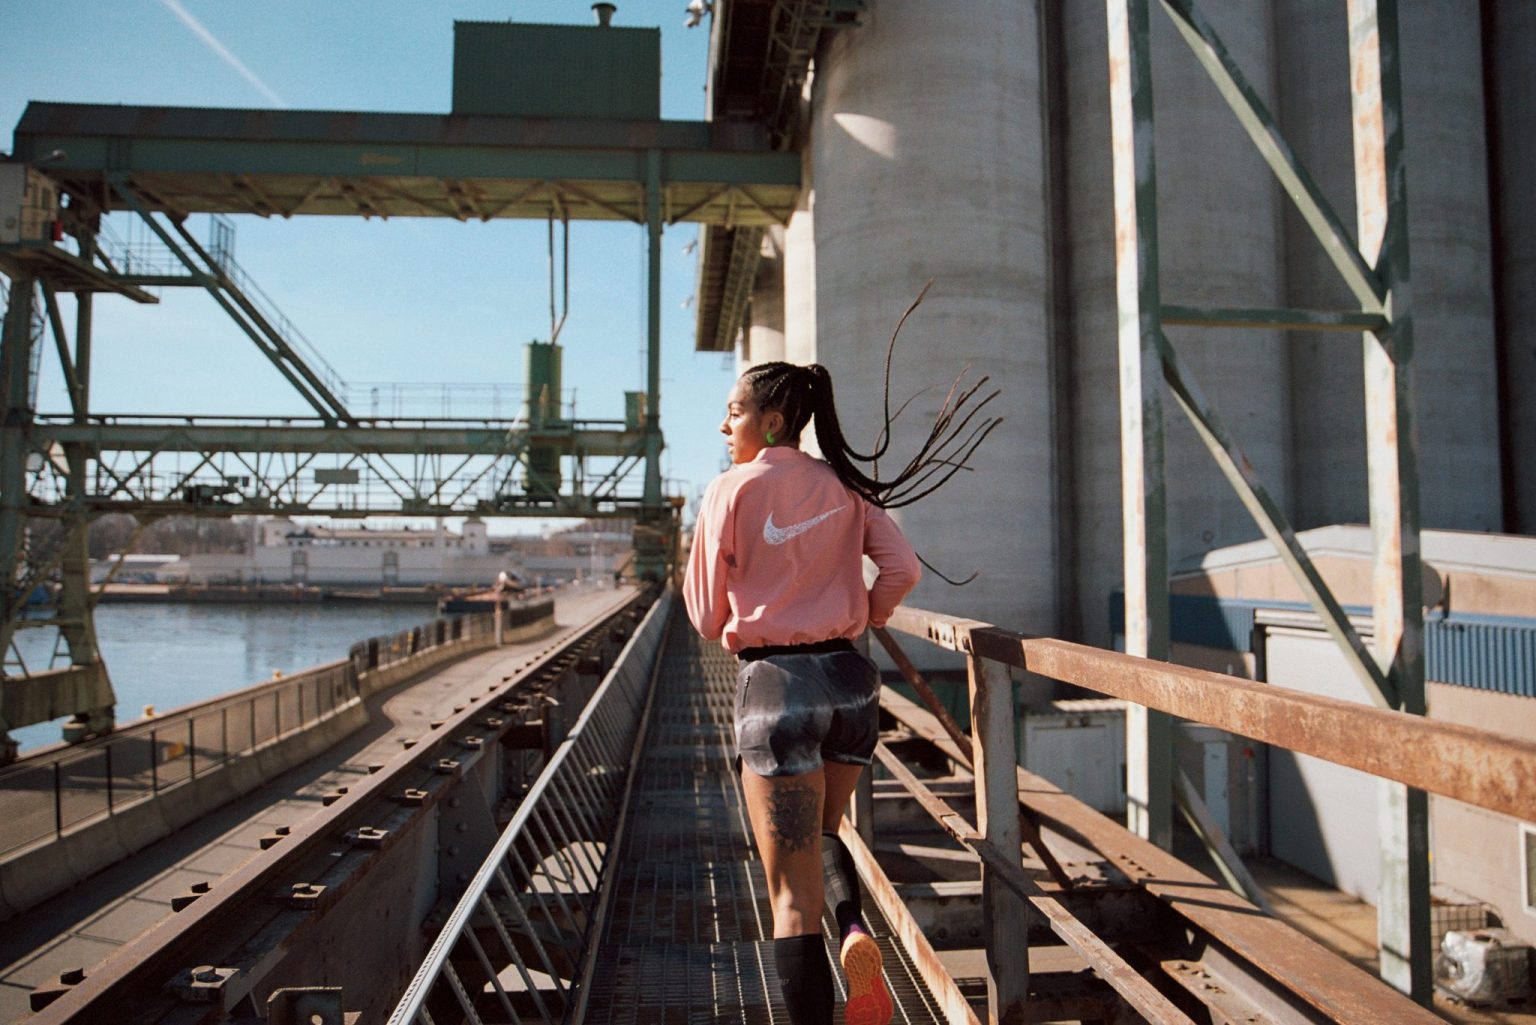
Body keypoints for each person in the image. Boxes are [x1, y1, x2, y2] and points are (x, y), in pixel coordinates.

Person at [684, 356, 998, 1025]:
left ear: (771, 421)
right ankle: (854, 928)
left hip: (776, 690)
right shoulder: (846, 486)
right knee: (825, 831)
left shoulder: (728, 491)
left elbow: (707, 617)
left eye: (733, 413)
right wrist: (870, 612)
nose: (723, 425)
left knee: (790, 898)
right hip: (853, 686)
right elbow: (902, 567)